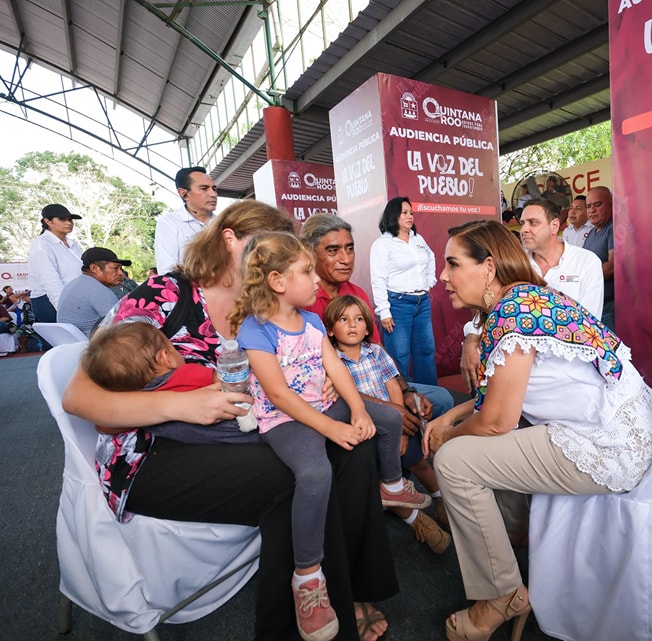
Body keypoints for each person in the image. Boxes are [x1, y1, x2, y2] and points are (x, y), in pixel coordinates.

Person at [62, 200, 400, 641]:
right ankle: (304, 614)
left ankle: (350, 587)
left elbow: (293, 362)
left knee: (351, 445)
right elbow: (78, 396)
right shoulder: (167, 294)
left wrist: (325, 379)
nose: (270, 261)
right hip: (157, 450)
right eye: (261, 248)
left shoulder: (262, 300)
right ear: (228, 238)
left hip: (242, 429)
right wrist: (179, 406)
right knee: (292, 476)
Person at [422, 220, 652, 641]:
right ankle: (512, 543)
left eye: (452, 264)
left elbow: (497, 420)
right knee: (477, 443)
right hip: (620, 428)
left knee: (455, 462)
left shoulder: (511, 313)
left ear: (489, 268)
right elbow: (503, 391)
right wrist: (450, 416)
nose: (442, 277)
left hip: (606, 445)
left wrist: (448, 435)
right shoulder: (523, 298)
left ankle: (500, 596)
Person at [228, 231, 429, 641]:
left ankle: (391, 485)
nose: (317, 280)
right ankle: (308, 577)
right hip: (286, 420)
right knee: (315, 475)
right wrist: (333, 426)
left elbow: (335, 370)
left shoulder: (314, 320)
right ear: (278, 282)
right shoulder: (255, 330)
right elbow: (280, 395)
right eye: (306, 271)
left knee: (388, 420)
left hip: (324, 406)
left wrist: (358, 409)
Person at [299, 213, 454, 431]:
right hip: (333, 397)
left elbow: (378, 349)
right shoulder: (303, 300)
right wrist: (388, 408)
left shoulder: (358, 293)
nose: (345, 259)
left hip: (375, 386)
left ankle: (413, 457)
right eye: (333, 251)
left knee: (440, 398)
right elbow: (321, 381)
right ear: (310, 254)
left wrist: (406, 391)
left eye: (350, 248)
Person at [324, 295, 451, 555]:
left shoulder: (376, 352)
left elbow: (394, 387)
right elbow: (348, 397)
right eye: (343, 320)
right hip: (367, 430)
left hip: (393, 427)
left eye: (359, 319)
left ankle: (441, 500)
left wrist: (401, 431)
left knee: (417, 460)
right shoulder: (331, 362)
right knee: (382, 482)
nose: (352, 325)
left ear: (369, 327)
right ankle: (417, 521)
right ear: (330, 329)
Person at [459, 198, 604, 393]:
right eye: (523, 222)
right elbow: (488, 307)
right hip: (519, 369)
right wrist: (471, 338)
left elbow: (588, 321)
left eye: (533, 223)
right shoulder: (515, 264)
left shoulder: (586, 262)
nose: (524, 229)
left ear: (554, 226)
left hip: (571, 375)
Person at [81, 322, 257, 434]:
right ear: (165, 357)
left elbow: (104, 426)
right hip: (230, 433)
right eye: (172, 346)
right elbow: (226, 381)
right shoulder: (186, 374)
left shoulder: (134, 397)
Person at [369, 197, 438, 385]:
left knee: (426, 350)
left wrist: (429, 282)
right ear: (393, 215)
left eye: (411, 213)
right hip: (397, 304)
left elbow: (430, 258)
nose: (409, 216)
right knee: (399, 354)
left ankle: (432, 395)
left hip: (421, 302)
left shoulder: (418, 239)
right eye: (404, 212)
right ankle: (404, 398)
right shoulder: (382, 244)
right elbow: (378, 279)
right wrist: (384, 311)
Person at [154, 167, 218, 274]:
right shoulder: (169, 223)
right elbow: (168, 273)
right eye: (204, 188)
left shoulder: (225, 223)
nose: (213, 194)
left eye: (214, 189)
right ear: (184, 193)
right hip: (188, 290)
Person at [26, 204, 84, 322]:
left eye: (70, 219)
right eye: (62, 219)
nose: (68, 223)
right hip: (51, 302)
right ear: (48, 221)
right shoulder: (42, 246)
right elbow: (51, 283)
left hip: (75, 299)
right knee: (66, 339)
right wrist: (65, 311)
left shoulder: (72, 244)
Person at [57, 247, 130, 336]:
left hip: (71, 344)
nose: (120, 273)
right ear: (94, 268)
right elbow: (122, 326)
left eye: (121, 269)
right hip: (91, 346)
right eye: (115, 268)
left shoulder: (73, 284)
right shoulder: (98, 290)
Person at [582, 186, 616, 331]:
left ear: (611, 204)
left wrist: (583, 277)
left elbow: (612, 266)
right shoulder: (591, 234)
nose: (592, 210)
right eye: (588, 206)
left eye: (597, 204)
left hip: (610, 308)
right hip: (593, 307)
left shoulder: (614, 228)